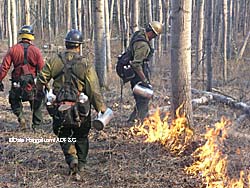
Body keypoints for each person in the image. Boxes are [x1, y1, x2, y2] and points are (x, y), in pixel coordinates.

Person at [35, 29, 107, 179]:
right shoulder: (85, 64)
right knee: (81, 136)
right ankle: (80, 165)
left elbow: (41, 79)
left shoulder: (54, 60)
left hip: (59, 108)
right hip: (80, 109)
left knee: (63, 134)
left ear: (66, 44)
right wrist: (101, 108)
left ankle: (71, 158)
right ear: (79, 46)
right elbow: (93, 90)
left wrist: (45, 93)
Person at [0, 25, 45, 130]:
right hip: (32, 85)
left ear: (21, 36)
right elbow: (42, 70)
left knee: (14, 100)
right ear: (31, 37)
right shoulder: (36, 51)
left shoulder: (13, 49)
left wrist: (0, 79)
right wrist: (45, 85)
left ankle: (21, 118)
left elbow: (4, 68)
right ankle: (37, 126)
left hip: (17, 84)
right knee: (37, 102)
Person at [127, 21, 163, 123]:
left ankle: (132, 119)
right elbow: (136, 64)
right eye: (155, 35)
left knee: (140, 100)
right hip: (138, 75)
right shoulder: (143, 45)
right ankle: (140, 122)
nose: (154, 38)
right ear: (151, 32)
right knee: (143, 99)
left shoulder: (138, 34)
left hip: (134, 74)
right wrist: (144, 80)